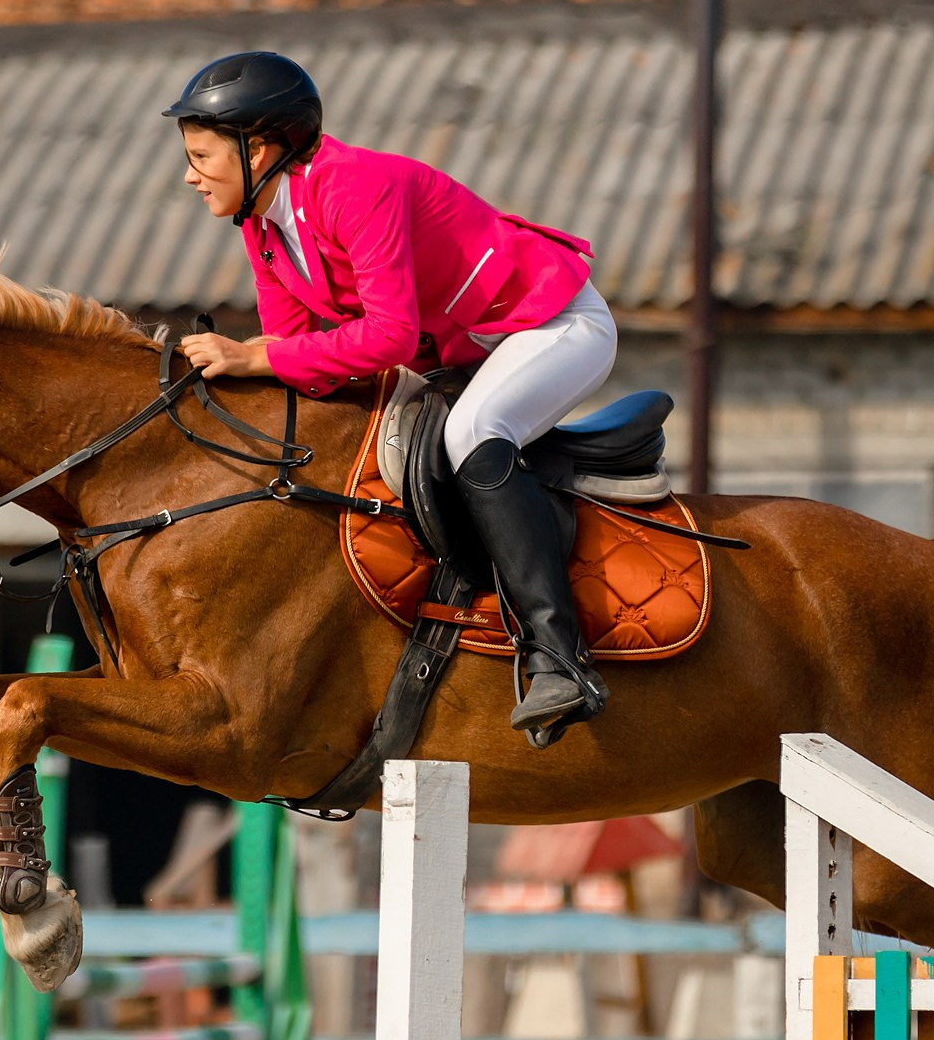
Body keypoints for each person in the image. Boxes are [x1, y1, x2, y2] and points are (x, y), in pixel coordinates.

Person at [166, 50, 619, 743]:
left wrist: (253, 353)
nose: (190, 176)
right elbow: (303, 366)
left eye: (202, 156)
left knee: (474, 430)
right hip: (462, 352)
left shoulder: (353, 184)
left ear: (258, 148)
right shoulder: (262, 228)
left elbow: (386, 335)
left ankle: (561, 658)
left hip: (551, 323)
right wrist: (251, 365)